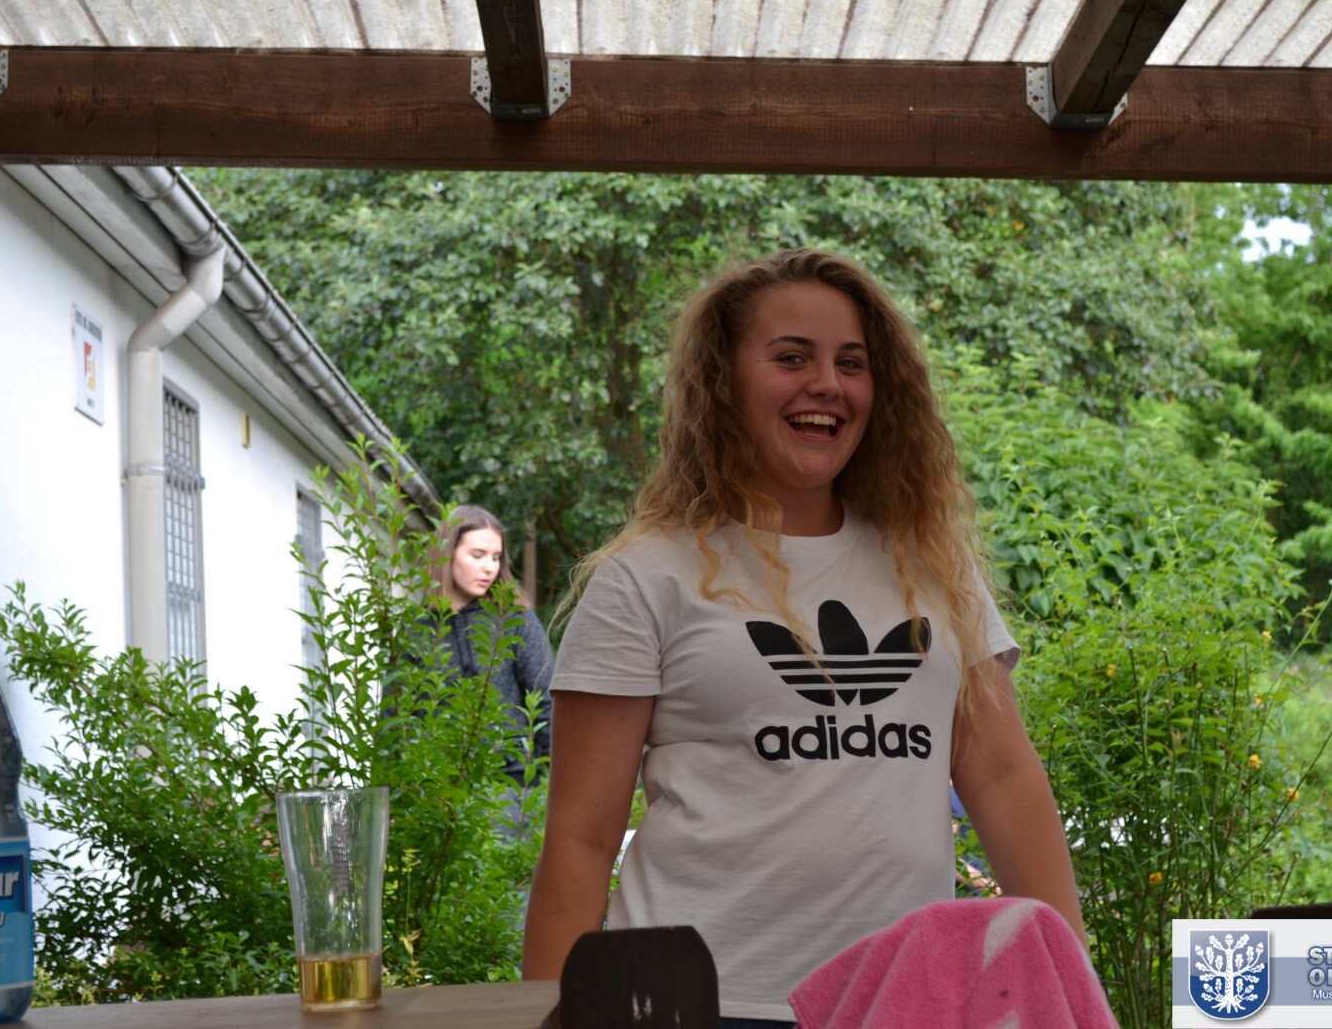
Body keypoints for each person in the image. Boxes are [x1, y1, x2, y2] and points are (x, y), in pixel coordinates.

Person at [521, 249, 1087, 1027]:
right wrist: (544, 1017)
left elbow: (1001, 774)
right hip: (701, 1008)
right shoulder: (643, 577)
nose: (827, 383)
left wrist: (1072, 982)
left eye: (851, 363)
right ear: (723, 383)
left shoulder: (932, 567)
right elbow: (582, 840)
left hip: (906, 1004)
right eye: (792, 358)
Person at [430, 504, 553, 787]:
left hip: (511, 786)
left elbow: (548, 703)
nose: (489, 567)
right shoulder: (420, 628)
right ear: (447, 554)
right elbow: (398, 717)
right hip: (436, 789)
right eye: (477, 555)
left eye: (496, 557)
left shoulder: (515, 619)